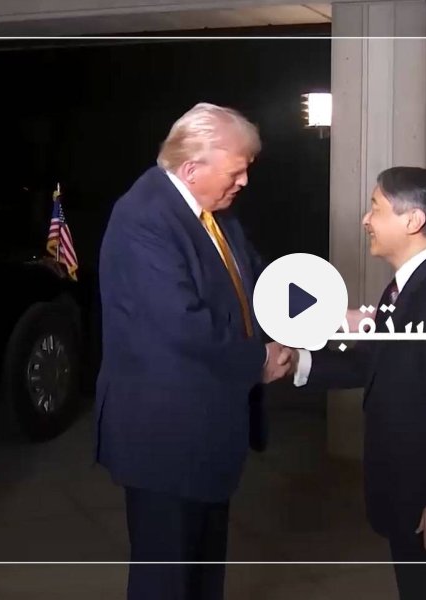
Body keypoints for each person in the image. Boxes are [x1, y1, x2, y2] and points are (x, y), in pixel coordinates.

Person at [94, 102, 292, 600]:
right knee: (166, 580)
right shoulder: (143, 218)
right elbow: (182, 324)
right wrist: (259, 361)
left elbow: (257, 283)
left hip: (206, 431)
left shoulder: (211, 212)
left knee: (202, 575)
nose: (244, 181)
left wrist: (326, 313)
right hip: (165, 436)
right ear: (191, 168)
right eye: (236, 171)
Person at [290, 167, 426, 600]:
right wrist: (298, 362)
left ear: (413, 220)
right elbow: (372, 363)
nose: (366, 220)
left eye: (376, 208)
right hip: (408, 485)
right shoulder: (406, 286)